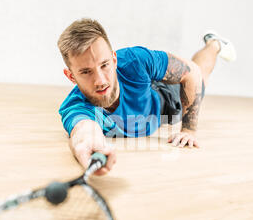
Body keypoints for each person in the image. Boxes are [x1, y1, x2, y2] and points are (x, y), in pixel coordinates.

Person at [57, 18, 236, 175]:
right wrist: (87, 146)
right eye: (86, 72)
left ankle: (214, 44)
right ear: (71, 76)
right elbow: (84, 132)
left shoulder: (136, 60)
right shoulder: (76, 107)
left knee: (201, 75)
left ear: (114, 59)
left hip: (162, 96)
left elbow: (192, 73)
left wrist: (188, 130)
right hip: (149, 105)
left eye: (104, 65)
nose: (100, 80)